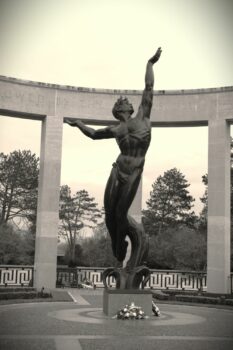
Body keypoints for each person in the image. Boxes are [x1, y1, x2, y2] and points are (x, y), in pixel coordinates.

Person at [66, 47, 162, 262]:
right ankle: (116, 243)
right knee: (109, 213)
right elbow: (93, 134)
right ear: (118, 112)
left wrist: (149, 64)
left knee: (120, 213)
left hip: (134, 170)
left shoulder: (143, 117)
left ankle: (124, 247)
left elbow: (149, 87)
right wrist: (78, 123)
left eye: (124, 103)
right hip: (118, 169)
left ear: (128, 109)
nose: (123, 103)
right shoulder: (116, 129)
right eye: (119, 105)